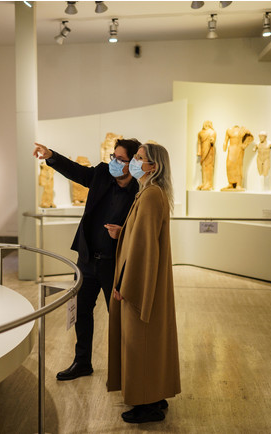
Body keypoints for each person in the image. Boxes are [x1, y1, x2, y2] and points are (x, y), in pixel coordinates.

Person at [32, 138, 140, 380]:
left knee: (120, 317)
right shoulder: (102, 174)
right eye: (113, 157)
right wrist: (51, 156)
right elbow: (76, 171)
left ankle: (126, 369)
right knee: (81, 311)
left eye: (120, 159)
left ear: (132, 163)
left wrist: (123, 232)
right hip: (88, 259)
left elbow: (143, 230)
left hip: (115, 264)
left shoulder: (139, 191)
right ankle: (82, 362)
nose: (114, 162)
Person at [107, 142, 180, 424]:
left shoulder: (150, 195)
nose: (134, 163)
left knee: (140, 342)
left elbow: (143, 247)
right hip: (151, 280)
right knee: (153, 341)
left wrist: (124, 285)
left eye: (139, 158)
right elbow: (142, 235)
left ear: (154, 166)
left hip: (140, 282)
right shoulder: (152, 192)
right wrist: (123, 232)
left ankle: (146, 404)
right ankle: (155, 394)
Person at [221, 125, 253, 191]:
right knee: (229, 165)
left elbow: (250, 137)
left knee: (238, 166)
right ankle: (230, 183)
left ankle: (239, 184)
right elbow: (226, 140)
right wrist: (224, 146)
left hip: (238, 149)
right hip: (231, 149)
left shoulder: (242, 130)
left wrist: (245, 144)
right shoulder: (229, 130)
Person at [196, 120, 216, 190]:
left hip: (210, 150)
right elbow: (199, 143)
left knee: (209, 167)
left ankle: (209, 184)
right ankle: (204, 182)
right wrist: (199, 152)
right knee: (204, 166)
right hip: (203, 150)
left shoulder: (212, 132)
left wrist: (212, 141)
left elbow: (213, 140)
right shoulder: (200, 133)